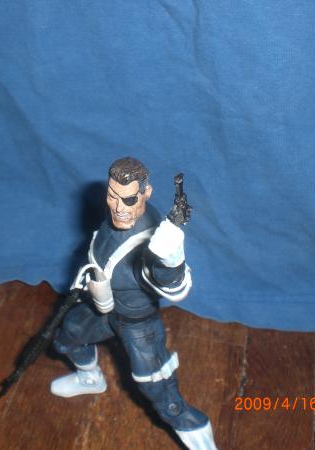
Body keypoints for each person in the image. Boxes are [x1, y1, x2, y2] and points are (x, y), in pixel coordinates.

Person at [51, 157, 217, 450]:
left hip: (139, 325)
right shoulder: (115, 215)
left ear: (146, 193)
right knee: (70, 334)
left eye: (128, 200)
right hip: (104, 307)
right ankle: (90, 378)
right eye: (112, 196)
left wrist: (171, 258)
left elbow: (175, 287)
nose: (118, 208)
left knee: (160, 393)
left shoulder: (153, 239)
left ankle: (203, 442)